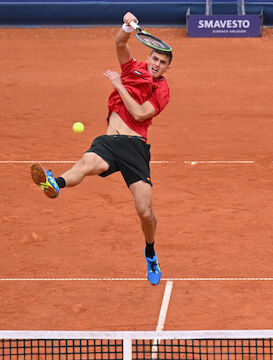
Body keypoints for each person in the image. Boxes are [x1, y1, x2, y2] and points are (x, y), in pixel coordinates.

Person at [30, 12, 171, 286]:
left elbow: (141, 114)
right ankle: (54, 182)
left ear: (166, 68)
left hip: (135, 148)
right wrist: (127, 27)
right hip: (108, 142)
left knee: (145, 213)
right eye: (155, 58)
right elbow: (120, 45)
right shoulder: (134, 69)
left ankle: (150, 252)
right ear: (149, 57)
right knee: (86, 165)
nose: (157, 64)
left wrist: (119, 86)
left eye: (162, 63)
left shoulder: (162, 90)